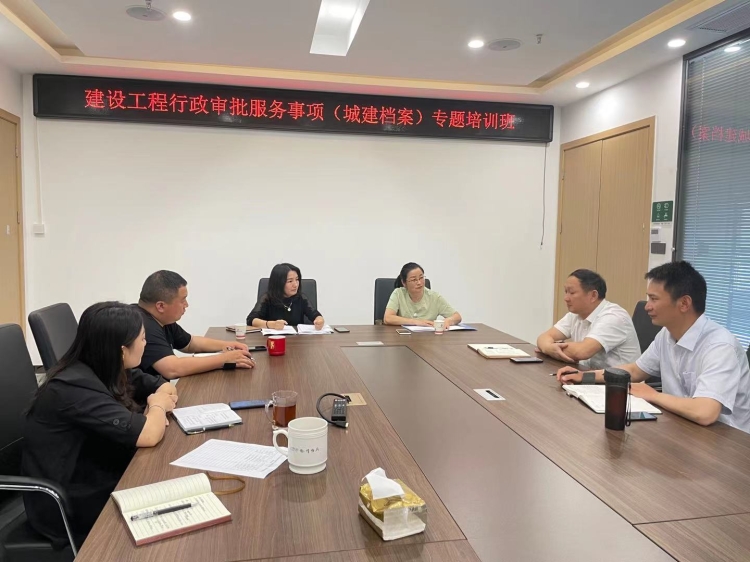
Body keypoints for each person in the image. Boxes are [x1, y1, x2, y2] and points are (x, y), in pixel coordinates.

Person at [22, 302, 179, 547]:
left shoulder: (108, 366)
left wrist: (155, 408)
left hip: (98, 471)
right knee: (172, 506)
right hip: (70, 501)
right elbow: (148, 434)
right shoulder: (73, 388)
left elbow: (165, 386)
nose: (145, 343)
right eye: (142, 338)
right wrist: (157, 406)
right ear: (121, 350)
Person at [557, 261, 750, 432]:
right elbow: (635, 370)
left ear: (684, 303)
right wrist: (586, 377)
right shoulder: (667, 334)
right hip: (681, 426)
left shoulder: (720, 346)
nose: (647, 306)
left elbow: (705, 412)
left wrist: (653, 395)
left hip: (727, 442)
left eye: (654, 299)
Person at [136, 270, 254, 379]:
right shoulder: (141, 324)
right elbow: (173, 369)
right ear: (161, 306)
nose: (186, 305)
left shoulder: (161, 319)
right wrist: (225, 359)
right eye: (183, 300)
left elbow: (190, 343)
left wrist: (227, 345)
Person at [537, 269, 640, 369]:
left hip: (618, 380)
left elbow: (582, 351)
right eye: (566, 292)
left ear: (593, 295)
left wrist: (548, 348)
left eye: (572, 293)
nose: (566, 298)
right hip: (588, 375)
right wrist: (548, 347)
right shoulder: (575, 315)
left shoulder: (613, 316)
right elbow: (543, 337)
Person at [247, 263, 325, 329]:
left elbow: (315, 314)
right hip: (273, 340)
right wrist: (271, 324)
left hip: (297, 340)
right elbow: (251, 320)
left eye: (297, 279)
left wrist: (319, 320)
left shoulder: (300, 297)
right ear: (279, 283)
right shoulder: (267, 298)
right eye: (290, 281)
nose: (295, 285)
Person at [383, 262, 462, 327]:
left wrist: (447, 321)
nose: (419, 282)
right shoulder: (398, 293)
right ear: (404, 283)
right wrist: (415, 322)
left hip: (428, 338)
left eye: (421, 278)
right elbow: (388, 318)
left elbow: (457, 316)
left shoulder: (434, 297)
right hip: (403, 337)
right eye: (414, 280)